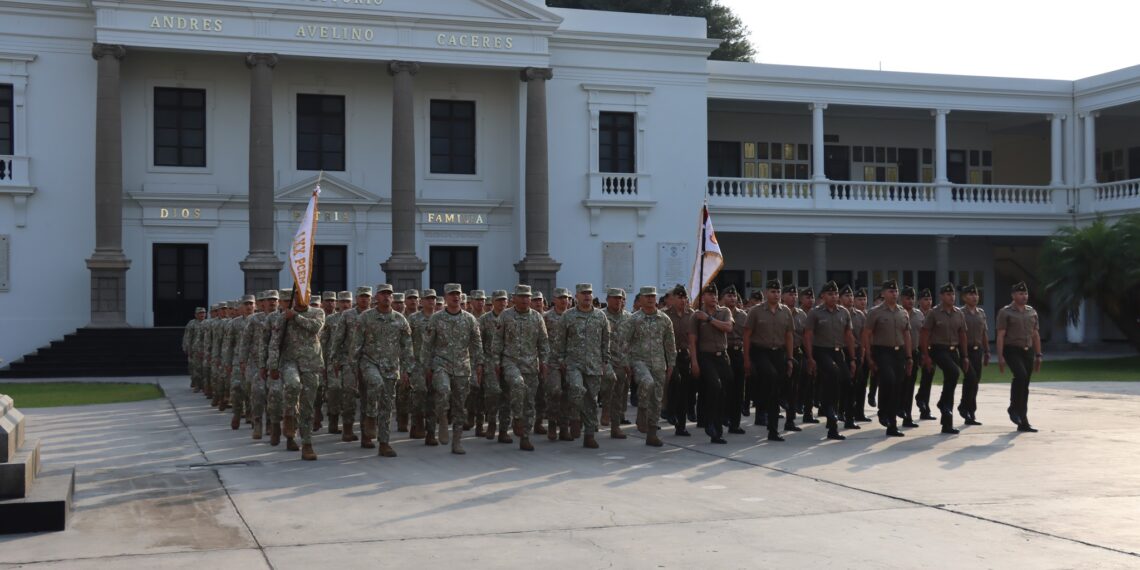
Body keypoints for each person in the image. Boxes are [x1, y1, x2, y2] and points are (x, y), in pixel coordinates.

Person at [350, 284, 413, 456]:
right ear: (376, 297)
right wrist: (353, 368)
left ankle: (384, 442)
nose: (386, 297)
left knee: (386, 405)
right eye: (383, 294)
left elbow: (407, 347)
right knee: (375, 384)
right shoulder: (365, 317)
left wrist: (407, 369)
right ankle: (370, 417)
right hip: (369, 363)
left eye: (389, 294)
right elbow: (356, 344)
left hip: (391, 367)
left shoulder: (400, 319)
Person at [421, 283, 484, 454]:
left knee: (459, 405)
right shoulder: (436, 318)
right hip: (441, 363)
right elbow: (427, 345)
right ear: (446, 297)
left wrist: (479, 363)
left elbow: (477, 344)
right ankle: (442, 417)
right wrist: (426, 366)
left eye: (458, 294)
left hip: (463, 367)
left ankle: (457, 441)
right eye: (451, 294)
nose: (455, 297)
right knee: (442, 390)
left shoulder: (469, 319)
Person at [267, 289, 326, 460]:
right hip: (289, 361)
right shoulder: (282, 317)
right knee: (292, 387)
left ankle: (306, 444)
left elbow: (315, 328)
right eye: (299, 295)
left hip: (311, 363)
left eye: (305, 295)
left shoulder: (317, 312)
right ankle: (290, 427)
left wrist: (295, 317)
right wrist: (273, 366)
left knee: (308, 405)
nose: (302, 299)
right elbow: (274, 343)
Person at [550, 283, 610, 448]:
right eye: (583, 293)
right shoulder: (568, 316)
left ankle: (589, 434)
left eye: (589, 293)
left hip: (594, 364)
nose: (587, 296)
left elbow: (606, 340)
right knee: (576, 389)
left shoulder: (600, 316)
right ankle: (574, 416)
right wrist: (561, 359)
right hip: (573, 364)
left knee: (591, 399)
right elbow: (560, 341)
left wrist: (605, 360)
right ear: (576, 296)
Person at [492, 284, 550, 451]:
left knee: (529, 402)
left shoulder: (537, 318)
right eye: (522, 296)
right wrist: (496, 362)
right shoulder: (505, 316)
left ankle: (525, 435)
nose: (525, 300)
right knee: (517, 385)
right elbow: (497, 341)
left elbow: (543, 343)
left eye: (528, 297)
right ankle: (515, 419)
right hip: (510, 362)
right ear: (514, 299)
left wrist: (544, 362)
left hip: (531, 364)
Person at [616, 286, 676, 447]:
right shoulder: (633, 319)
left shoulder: (664, 320)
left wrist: (671, 364)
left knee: (657, 399)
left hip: (658, 364)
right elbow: (623, 342)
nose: (650, 299)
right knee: (647, 382)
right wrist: (625, 362)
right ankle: (642, 410)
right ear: (640, 299)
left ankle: (652, 433)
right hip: (639, 361)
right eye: (647, 296)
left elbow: (670, 345)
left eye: (653, 296)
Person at [742, 280, 796, 442]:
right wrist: (746, 359)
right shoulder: (756, 311)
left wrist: (790, 358)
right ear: (766, 293)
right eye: (773, 291)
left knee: (776, 389)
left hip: (778, 352)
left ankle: (773, 429)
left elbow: (789, 336)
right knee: (771, 377)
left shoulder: (785, 311)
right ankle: (760, 402)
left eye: (778, 292)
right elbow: (747, 335)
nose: (776, 294)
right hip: (760, 352)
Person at [803, 281, 857, 441]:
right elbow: (807, 336)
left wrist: (853, 359)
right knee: (833, 374)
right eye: (830, 294)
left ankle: (841, 412)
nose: (834, 297)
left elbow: (849, 336)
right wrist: (810, 357)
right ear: (823, 296)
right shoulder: (815, 313)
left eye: (835, 294)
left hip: (838, 352)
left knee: (847, 381)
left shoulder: (844, 313)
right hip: (821, 351)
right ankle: (830, 414)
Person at [862, 280, 912, 437]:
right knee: (888, 380)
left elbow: (907, 334)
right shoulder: (875, 312)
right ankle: (882, 410)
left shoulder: (903, 312)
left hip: (899, 353)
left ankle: (892, 425)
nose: (894, 294)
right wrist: (869, 356)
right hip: (882, 352)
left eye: (896, 291)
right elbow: (867, 334)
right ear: (883, 293)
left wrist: (909, 356)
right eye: (890, 291)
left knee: (897, 387)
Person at [920, 283, 969, 435]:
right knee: (953, 373)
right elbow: (925, 334)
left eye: (953, 294)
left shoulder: (959, 313)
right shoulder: (934, 313)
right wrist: (926, 355)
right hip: (938, 350)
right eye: (948, 294)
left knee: (951, 381)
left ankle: (947, 421)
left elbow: (962, 335)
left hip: (953, 350)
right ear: (941, 296)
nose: (951, 297)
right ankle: (943, 404)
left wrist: (965, 356)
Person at [689, 283, 733, 444]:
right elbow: (692, 341)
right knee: (715, 386)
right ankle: (709, 422)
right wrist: (694, 362)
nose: (713, 297)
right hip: (705, 357)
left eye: (715, 294)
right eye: (710, 294)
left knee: (722, 392)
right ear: (703, 297)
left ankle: (717, 431)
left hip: (722, 356)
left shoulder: (724, 312)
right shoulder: (696, 315)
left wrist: (709, 319)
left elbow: (728, 327)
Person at [996, 281, 1042, 433]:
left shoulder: (1032, 312)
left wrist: (1038, 355)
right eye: (1021, 293)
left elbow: (1035, 335)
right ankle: (1013, 408)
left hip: (1027, 350)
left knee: (1025, 386)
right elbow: (1001, 335)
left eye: (1026, 293)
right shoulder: (1005, 312)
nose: (1024, 296)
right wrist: (1000, 356)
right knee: (1020, 376)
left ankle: (1023, 421)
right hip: (1012, 349)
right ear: (1013, 295)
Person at [479, 290, 510, 442]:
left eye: (504, 300)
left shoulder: (511, 317)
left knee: (507, 395)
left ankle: (504, 429)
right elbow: (478, 342)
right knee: (493, 393)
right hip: (490, 361)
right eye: (498, 300)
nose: (502, 303)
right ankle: (491, 422)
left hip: (509, 361)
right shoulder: (485, 320)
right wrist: (481, 362)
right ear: (492, 301)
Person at [663, 285, 694, 436]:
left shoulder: (692, 315)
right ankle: (670, 410)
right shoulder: (664, 315)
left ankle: (681, 426)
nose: (682, 300)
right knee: (675, 380)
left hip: (685, 356)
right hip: (669, 356)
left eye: (684, 297)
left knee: (684, 391)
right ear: (672, 299)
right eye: (679, 297)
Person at [601, 288, 631, 438]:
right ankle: (604, 408)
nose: (618, 301)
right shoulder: (600, 316)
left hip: (621, 360)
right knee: (608, 381)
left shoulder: (628, 318)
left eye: (620, 298)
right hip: (604, 359)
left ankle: (615, 426)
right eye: (614, 298)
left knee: (619, 393)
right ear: (607, 299)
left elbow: (633, 340)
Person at [408, 289, 436, 442]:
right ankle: (417, 423)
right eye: (428, 298)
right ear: (422, 301)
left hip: (435, 363)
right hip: (417, 363)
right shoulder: (413, 319)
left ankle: (431, 432)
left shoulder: (440, 318)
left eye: (433, 298)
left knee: (433, 396)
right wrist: (406, 365)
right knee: (419, 392)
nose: (431, 301)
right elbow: (406, 342)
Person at [959, 283, 988, 425]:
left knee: (975, 381)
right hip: (965, 350)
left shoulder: (981, 313)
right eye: (970, 294)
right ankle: (964, 407)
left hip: (978, 350)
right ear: (964, 297)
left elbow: (984, 333)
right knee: (970, 378)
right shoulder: (960, 313)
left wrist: (987, 351)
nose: (974, 297)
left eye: (976, 294)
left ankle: (971, 411)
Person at [722, 286, 748, 434]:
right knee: (725, 387)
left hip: (738, 353)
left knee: (739, 390)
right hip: (724, 352)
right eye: (729, 296)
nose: (732, 299)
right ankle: (724, 416)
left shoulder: (743, 316)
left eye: (734, 296)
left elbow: (746, 337)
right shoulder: (719, 314)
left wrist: (747, 358)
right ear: (722, 298)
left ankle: (735, 424)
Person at [899, 287, 923, 428]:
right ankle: (897, 410)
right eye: (908, 298)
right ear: (901, 299)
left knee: (910, 385)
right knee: (899, 384)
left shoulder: (919, 315)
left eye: (912, 298)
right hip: (898, 353)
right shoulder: (898, 313)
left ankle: (907, 416)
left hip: (914, 353)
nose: (910, 301)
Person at [914, 288, 938, 420]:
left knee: (927, 377)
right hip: (915, 348)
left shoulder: (934, 314)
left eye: (930, 299)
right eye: (925, 299)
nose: (928, 302)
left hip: (930, 349)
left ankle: (925, 408)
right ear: (919, 301)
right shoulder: (915, 314)